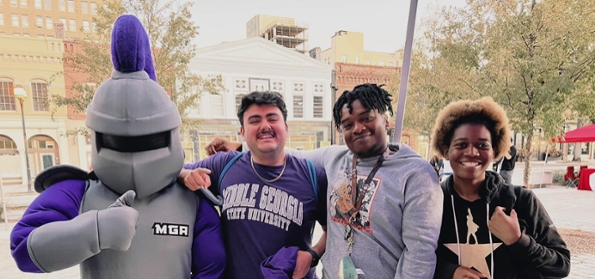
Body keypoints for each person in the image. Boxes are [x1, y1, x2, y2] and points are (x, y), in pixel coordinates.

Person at [10, 15, 225, 278]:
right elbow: (24, 248)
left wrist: (181, 176)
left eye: (149, 140)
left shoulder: (192, 200)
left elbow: (212, 268)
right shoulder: (78, 192)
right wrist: (94, 231)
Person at [204, 84, 443, 279]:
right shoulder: (335, 158)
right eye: (348, 124)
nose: (358, 128)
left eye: (367, 118)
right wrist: (240, 146)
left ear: (386, 119)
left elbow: (419, 254)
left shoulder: (416, 174)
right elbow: (285, 154)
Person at [180, 91, 328, 279]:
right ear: (242, 132)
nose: (265, 126)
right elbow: (172, 169)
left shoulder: (313, 176)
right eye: (255, 120)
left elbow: (333, 230)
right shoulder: (223, 165)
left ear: (286, 127)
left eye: (272, 119)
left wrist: (313, 255)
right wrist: (186, 175)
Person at [430, 97, 570, 279]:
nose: (472, 152)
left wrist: (518, 241)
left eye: (482, 145)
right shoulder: (431, 202)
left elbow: (562, 265)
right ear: (446, 150)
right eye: (461, 144)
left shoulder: (522, 200)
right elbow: (409, 258)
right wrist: (449, 272)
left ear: (495, 151)